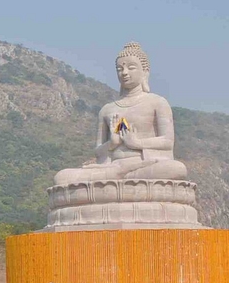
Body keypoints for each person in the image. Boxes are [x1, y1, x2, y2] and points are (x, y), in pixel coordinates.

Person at [54, 42, 187, 184]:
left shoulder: (157, 102)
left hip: (143, 165)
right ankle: (122, 180)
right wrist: (112, 143)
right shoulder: (107, 109)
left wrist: (137, 143)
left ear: (145, 71)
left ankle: (120, 181)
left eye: (131, 68)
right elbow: (99, 152)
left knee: (176, 169)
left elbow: (167, 142)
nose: (124, 72)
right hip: (113, 167)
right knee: (62, 177)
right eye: (119, 69)